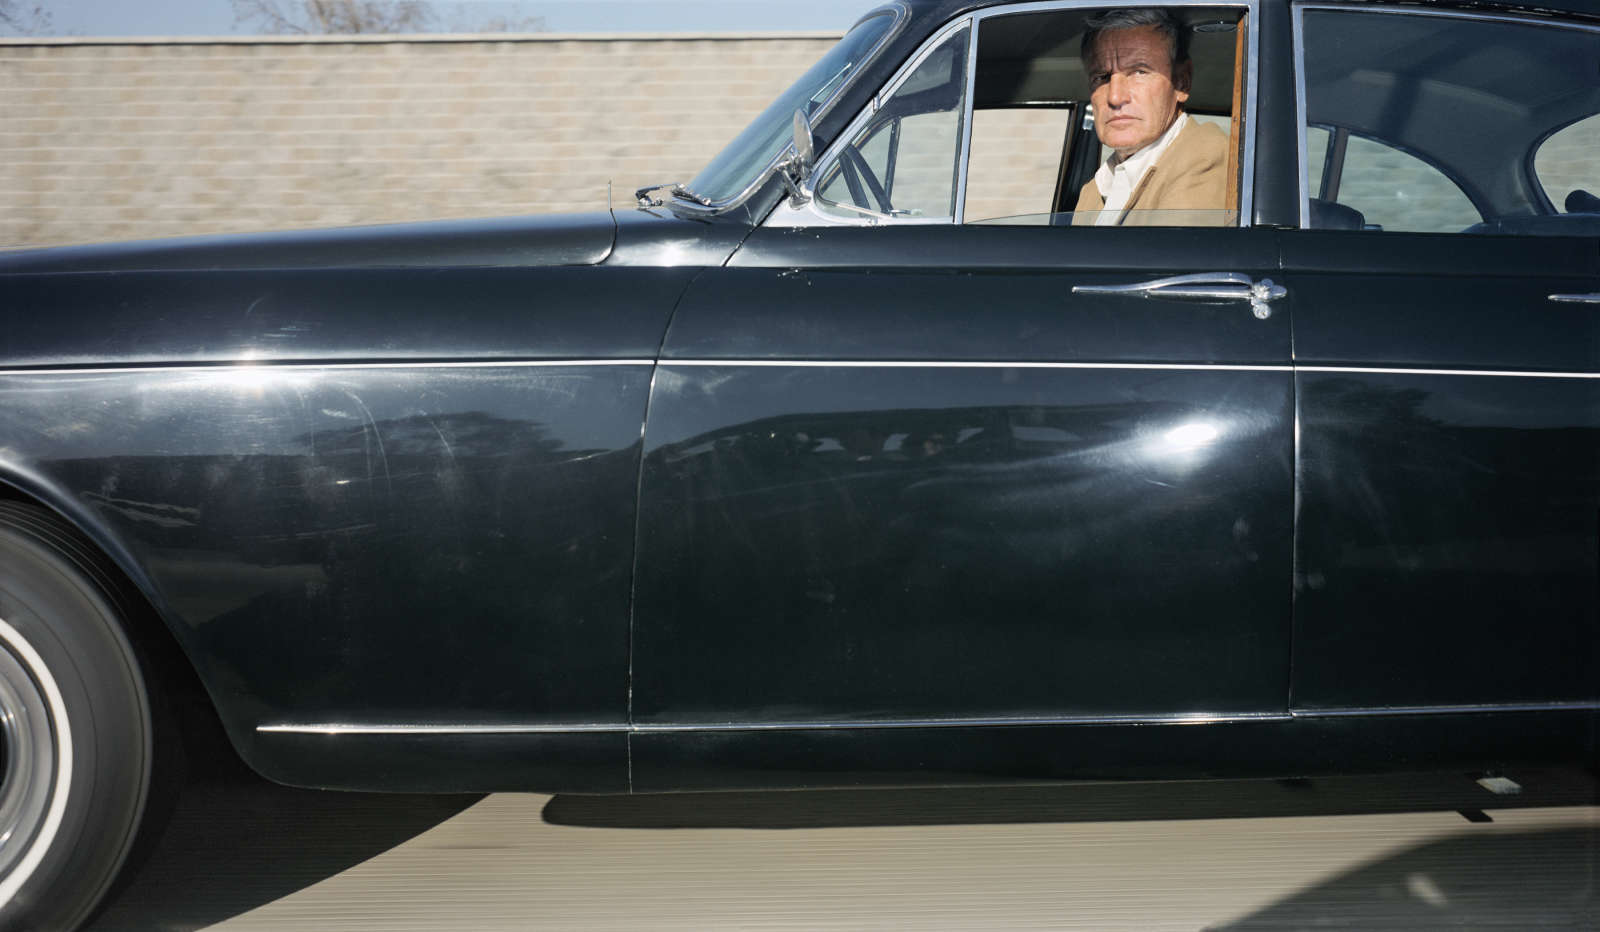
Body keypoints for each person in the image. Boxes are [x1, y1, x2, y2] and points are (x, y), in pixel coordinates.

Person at [1073, 8, 1229, 226]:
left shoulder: (1204, 158)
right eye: (1102, 77)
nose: (1115, 97)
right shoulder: (1096, 187)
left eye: (1139, 72)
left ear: (1182, 82)